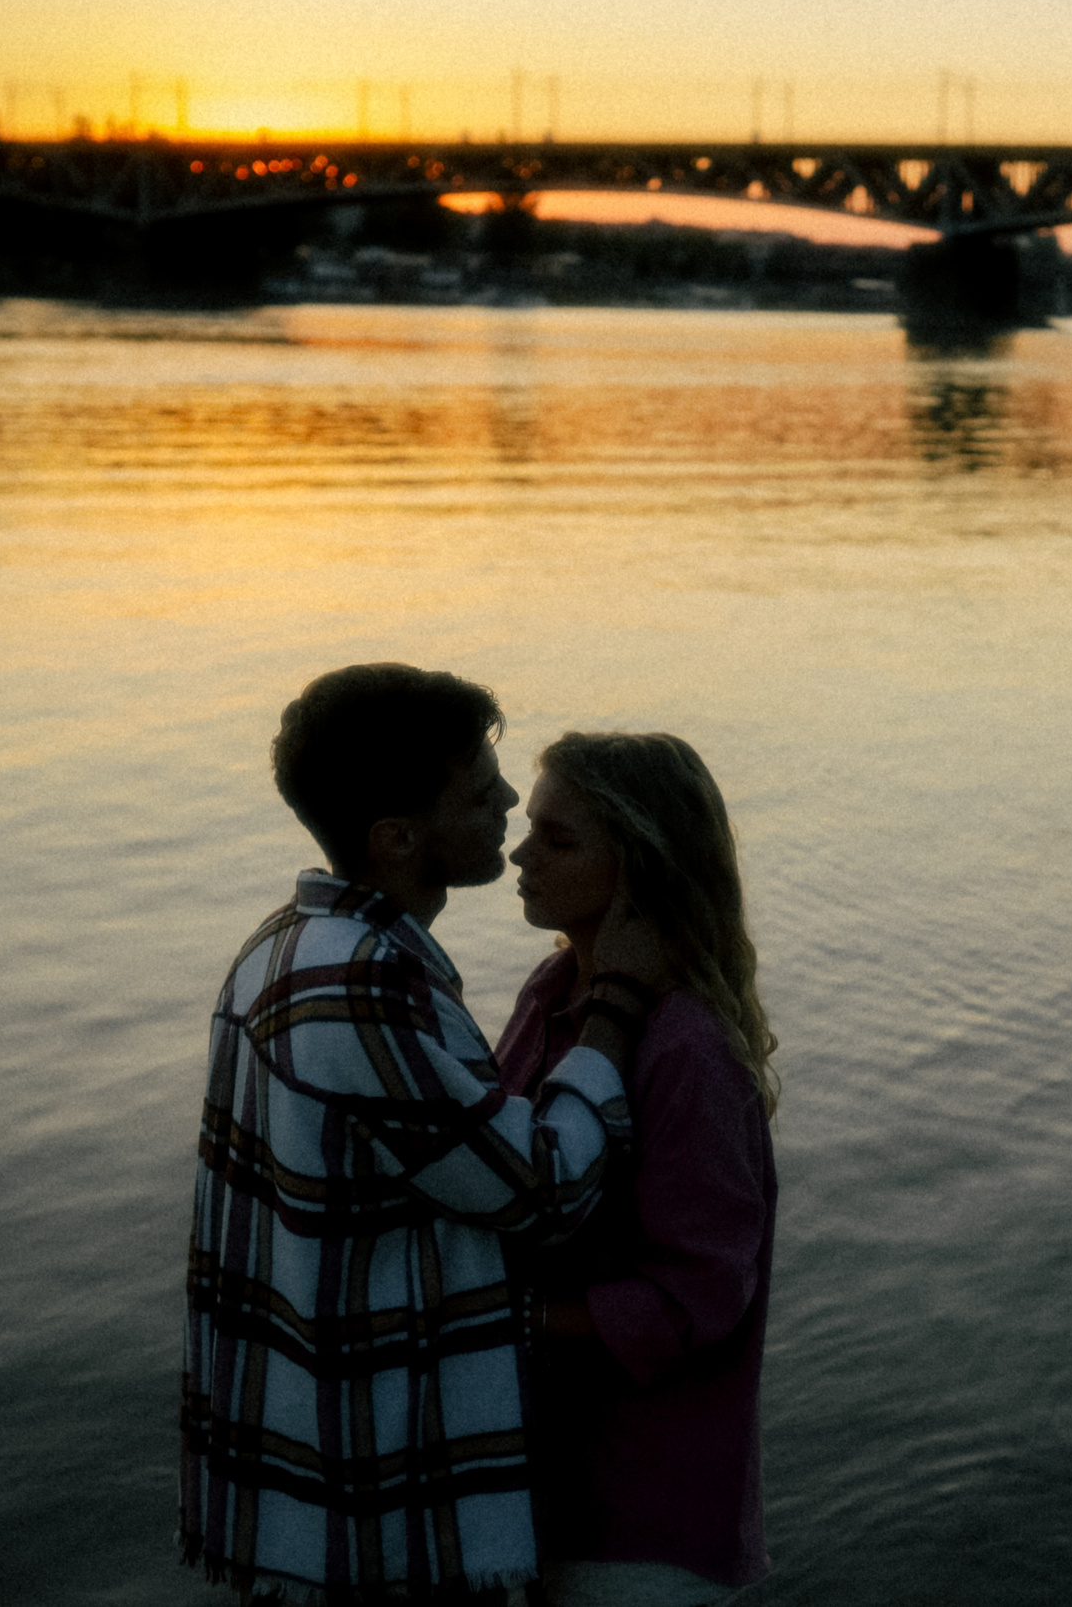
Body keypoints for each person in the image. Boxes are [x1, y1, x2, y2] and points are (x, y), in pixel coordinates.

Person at [182, 664, 660, 1605]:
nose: (511, 804)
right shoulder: (357, 984)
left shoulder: (278, 946)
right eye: (481, 794)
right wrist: (615, 1005)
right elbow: (543, 1188)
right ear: (396, 836)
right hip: (379, 1502)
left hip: (309, 1480)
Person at [494, 731, 780, 1607]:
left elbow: (699, 1296)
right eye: (530, 828)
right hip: (540, 1488)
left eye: (558, 838)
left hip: (641, 1518)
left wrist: (509, 1316)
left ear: (641, 870)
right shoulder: (551, 994)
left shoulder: (688, 1047)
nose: (521, 853)